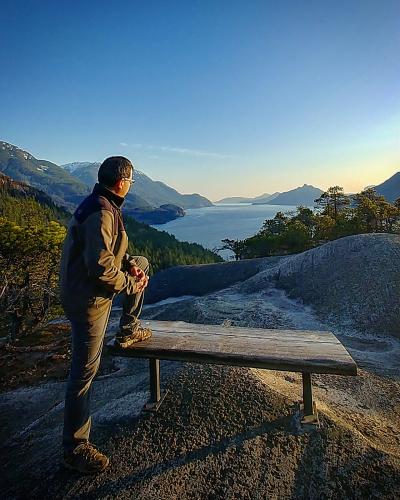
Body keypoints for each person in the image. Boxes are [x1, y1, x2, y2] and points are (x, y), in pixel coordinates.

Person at [59, 156, 152, 474]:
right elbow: (98, 266)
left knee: (142, 261)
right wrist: (129, 282)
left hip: (87, 290)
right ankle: (75, 447)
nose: (130, 186)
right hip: (88, 300)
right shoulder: (102, 210)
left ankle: (128, 329)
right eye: (131, 182)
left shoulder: (104, 202)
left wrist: (130, 267)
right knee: (84, 373)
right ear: (122, 182)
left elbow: (112, 252)